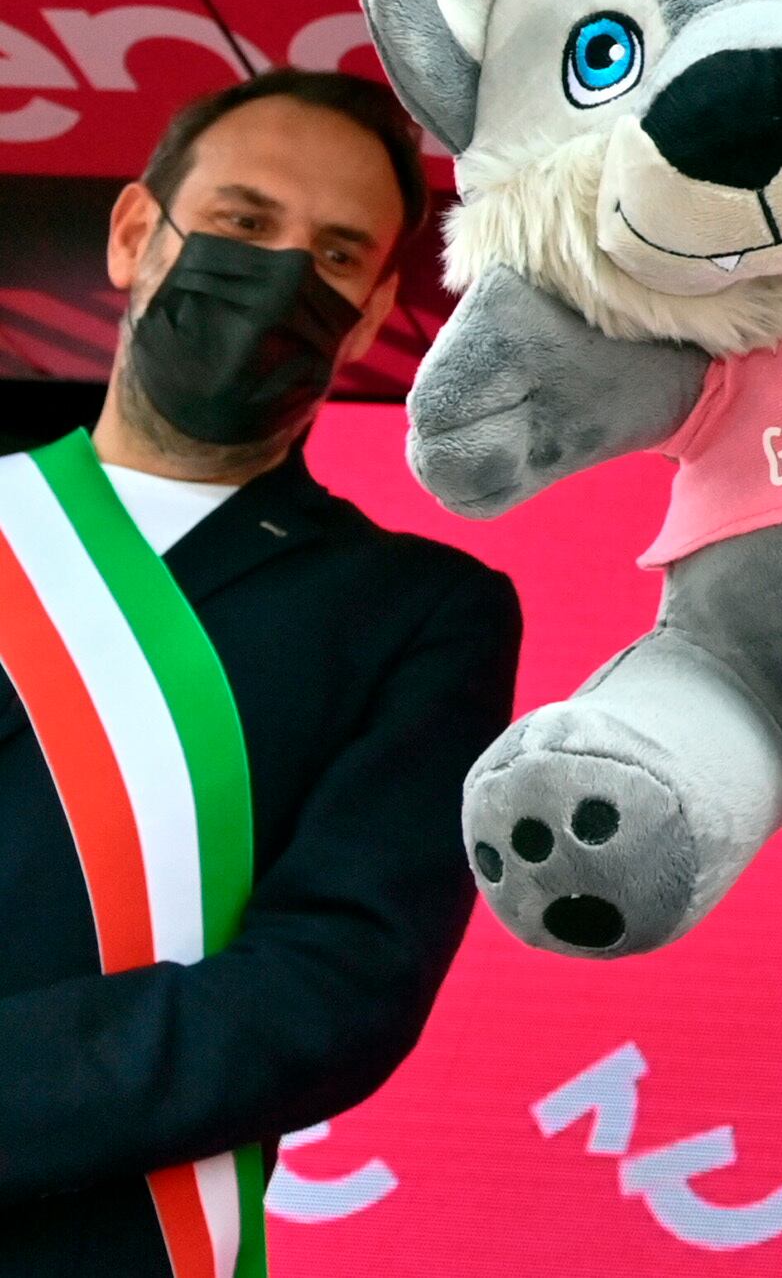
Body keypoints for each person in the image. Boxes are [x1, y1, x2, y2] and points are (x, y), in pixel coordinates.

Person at [0, 68, 522, 1278]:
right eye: (241, 223)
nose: (280, 274)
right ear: (138, 233)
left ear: (377, 300)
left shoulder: (418, 614)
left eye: (336, 255)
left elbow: (332, 990)